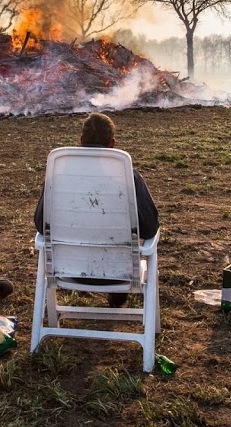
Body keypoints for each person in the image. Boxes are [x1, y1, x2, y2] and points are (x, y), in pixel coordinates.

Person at [33, 112, 159, 307]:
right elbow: (150, 228)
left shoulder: (57, 176)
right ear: (112, 143)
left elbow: (41, 225)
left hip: (67, 271)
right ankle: (118, 296)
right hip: (120, 274)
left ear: (81, 140)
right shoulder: (129, 178)